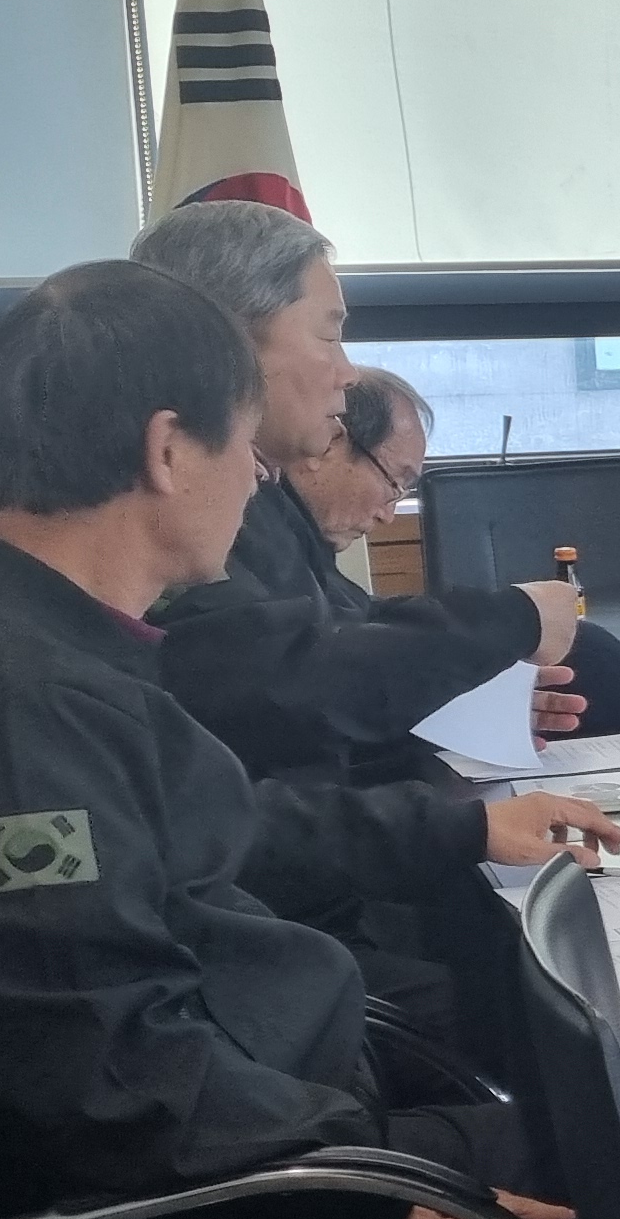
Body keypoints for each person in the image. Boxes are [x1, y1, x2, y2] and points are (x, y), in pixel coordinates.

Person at [0, 259, 620, 1219]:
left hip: (250, 1168)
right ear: (166, 450)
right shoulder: (5, 714)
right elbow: (109, 1063)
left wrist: (454, 828)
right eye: (244, 445)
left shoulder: (37, 639)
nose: (260, 474)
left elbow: (225, 833)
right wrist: (362, 1189)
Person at [131, 200, 587, 786]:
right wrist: (511, 621)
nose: (347, 373)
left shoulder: (262, 498)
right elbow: (286, 692)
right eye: (330, 334)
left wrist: (463, 682)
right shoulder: (177, 505)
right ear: (228, 336)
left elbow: (339, 627)